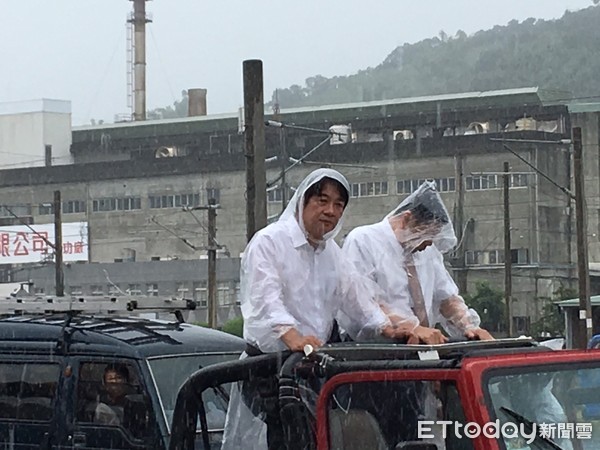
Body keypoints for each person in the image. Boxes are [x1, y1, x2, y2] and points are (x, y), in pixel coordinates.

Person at [222, 168, 410, 450]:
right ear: (303, 202)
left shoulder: (332, 253)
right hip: (271, 367)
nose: (330, 211)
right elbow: (264, 298)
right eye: (322, 201)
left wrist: (387, 326)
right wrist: (291, 335)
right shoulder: (270, 241)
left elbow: (356, 298)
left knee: (319, 437)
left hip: (311, 366)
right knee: (286, 438)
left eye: (338, 205)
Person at [342, 181, 493, 344]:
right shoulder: (364, 240)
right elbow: (362, 302)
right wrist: (410, 327)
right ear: (407, 219)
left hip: (422, 347)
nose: (427, 244)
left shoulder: (426, 251)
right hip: (377, 350)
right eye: (425, 236)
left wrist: (468, 326)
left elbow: (446, 298)